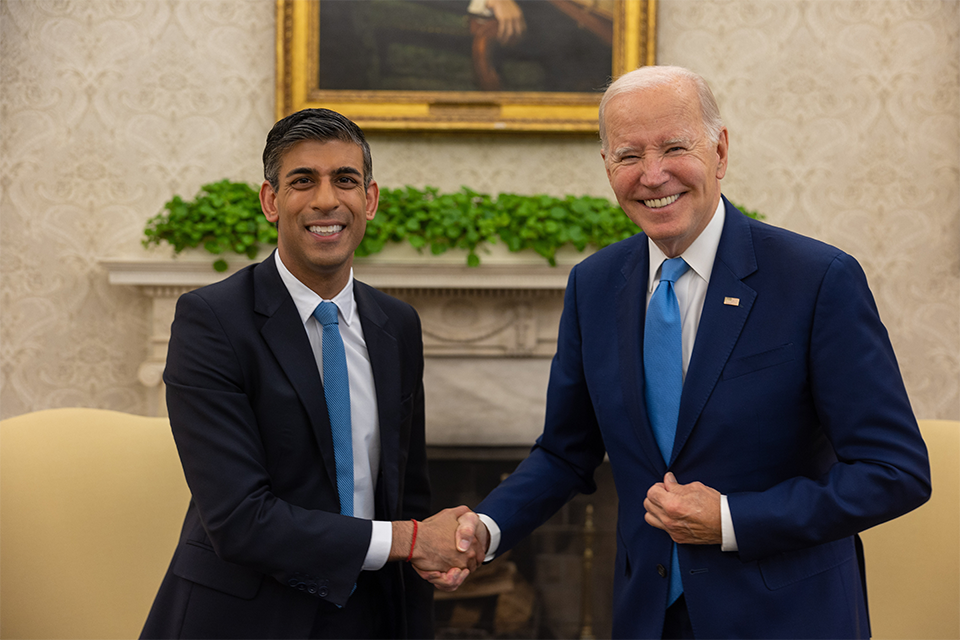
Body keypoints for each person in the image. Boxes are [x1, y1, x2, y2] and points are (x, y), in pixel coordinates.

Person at [439, 66, 932, 638]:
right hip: (648, 616)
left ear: (720, 152)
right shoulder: (594, 285)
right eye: (628, 156)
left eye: (675, 147)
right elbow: (565, 453)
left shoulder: (818, 280)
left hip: (787, 617)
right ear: (607, 168)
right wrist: (487, 527)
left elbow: (894, 471)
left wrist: (729, 519)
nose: (653, 175)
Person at [141, 108, 479, 639]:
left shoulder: (397, 324)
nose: (326, 200)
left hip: (373, 614)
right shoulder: (212, 321)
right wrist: (413, 539)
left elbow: (407, 492)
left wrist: (433, 557)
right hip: (246, 617)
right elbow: (239, 519)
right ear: (271, 201)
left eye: (345, 180)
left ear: (368, 199)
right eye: (303, 181)